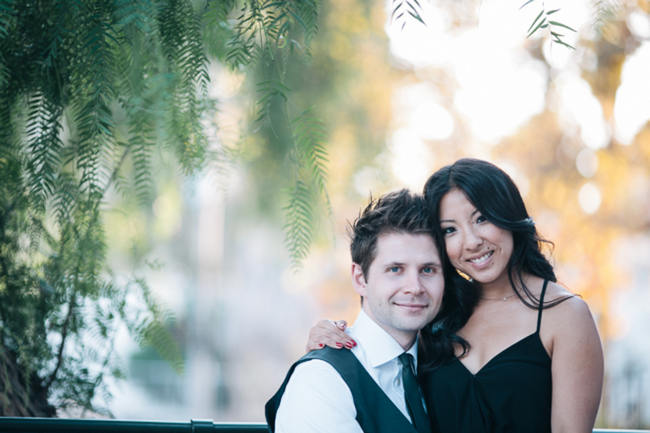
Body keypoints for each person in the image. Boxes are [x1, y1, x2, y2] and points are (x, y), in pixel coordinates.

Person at [306, 158, 604, 433]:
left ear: (509, 215)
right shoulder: (437, 310)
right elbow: (383, 354)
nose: (471, 242)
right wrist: (330, 343)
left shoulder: (565, 316)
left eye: (482, 219)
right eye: (450, 230)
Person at [266, 189, 445, 433]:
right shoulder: (320, 380)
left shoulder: (444, 366)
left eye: (428, 270)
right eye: (395, 269)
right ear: (360, 278)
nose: (415, 287)